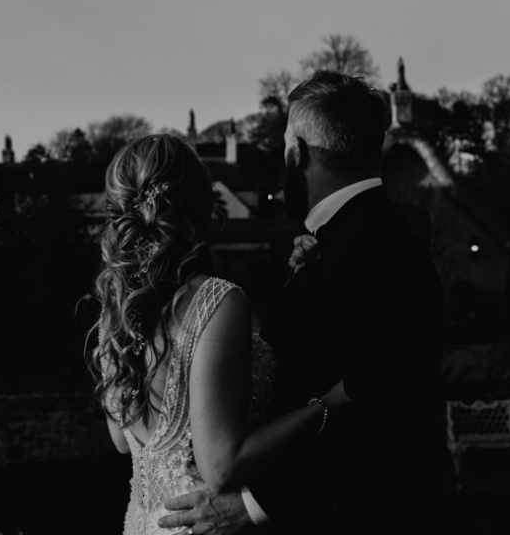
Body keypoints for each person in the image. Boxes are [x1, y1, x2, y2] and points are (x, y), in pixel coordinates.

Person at [158, 71, 444, 533]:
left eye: (286, 145)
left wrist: (255, 505)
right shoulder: (356, 238)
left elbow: (389, 413)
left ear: (299, 153)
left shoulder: (376, 249)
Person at [86, 133, 351, 535]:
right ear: (201, 205)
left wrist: (300, 283)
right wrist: (326, 405)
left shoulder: (116, 309)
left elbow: (125, 441)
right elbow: (221, 467)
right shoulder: (216, 300)